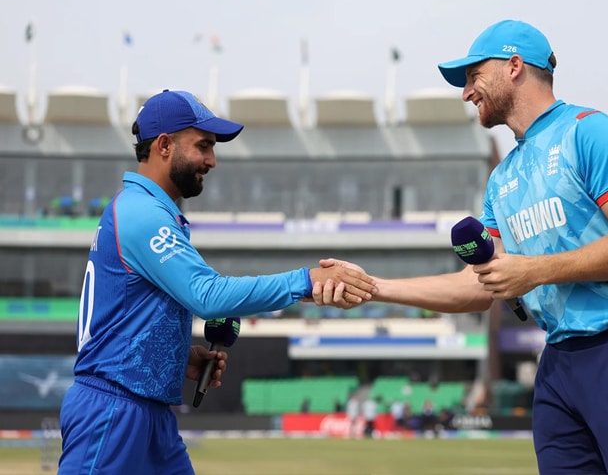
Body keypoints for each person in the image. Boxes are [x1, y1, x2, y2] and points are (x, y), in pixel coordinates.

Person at [313, 20, 608, 474]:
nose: (467, 92)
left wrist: (534, 271)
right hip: (559, 362)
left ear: (514, 66)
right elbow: (478, 286)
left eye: (474, 76)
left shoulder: (590, 132)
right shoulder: (501, 180)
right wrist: (373, 286)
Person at [58, 89, 376, 475]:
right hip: (113, 410)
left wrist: (174, 357)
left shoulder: (146, 210)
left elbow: (131, 310)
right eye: (203, 146)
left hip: (146, 410)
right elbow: (207, 296)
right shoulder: (142, 213)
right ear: (163, 145)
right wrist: (306, 280)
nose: (211, 160)